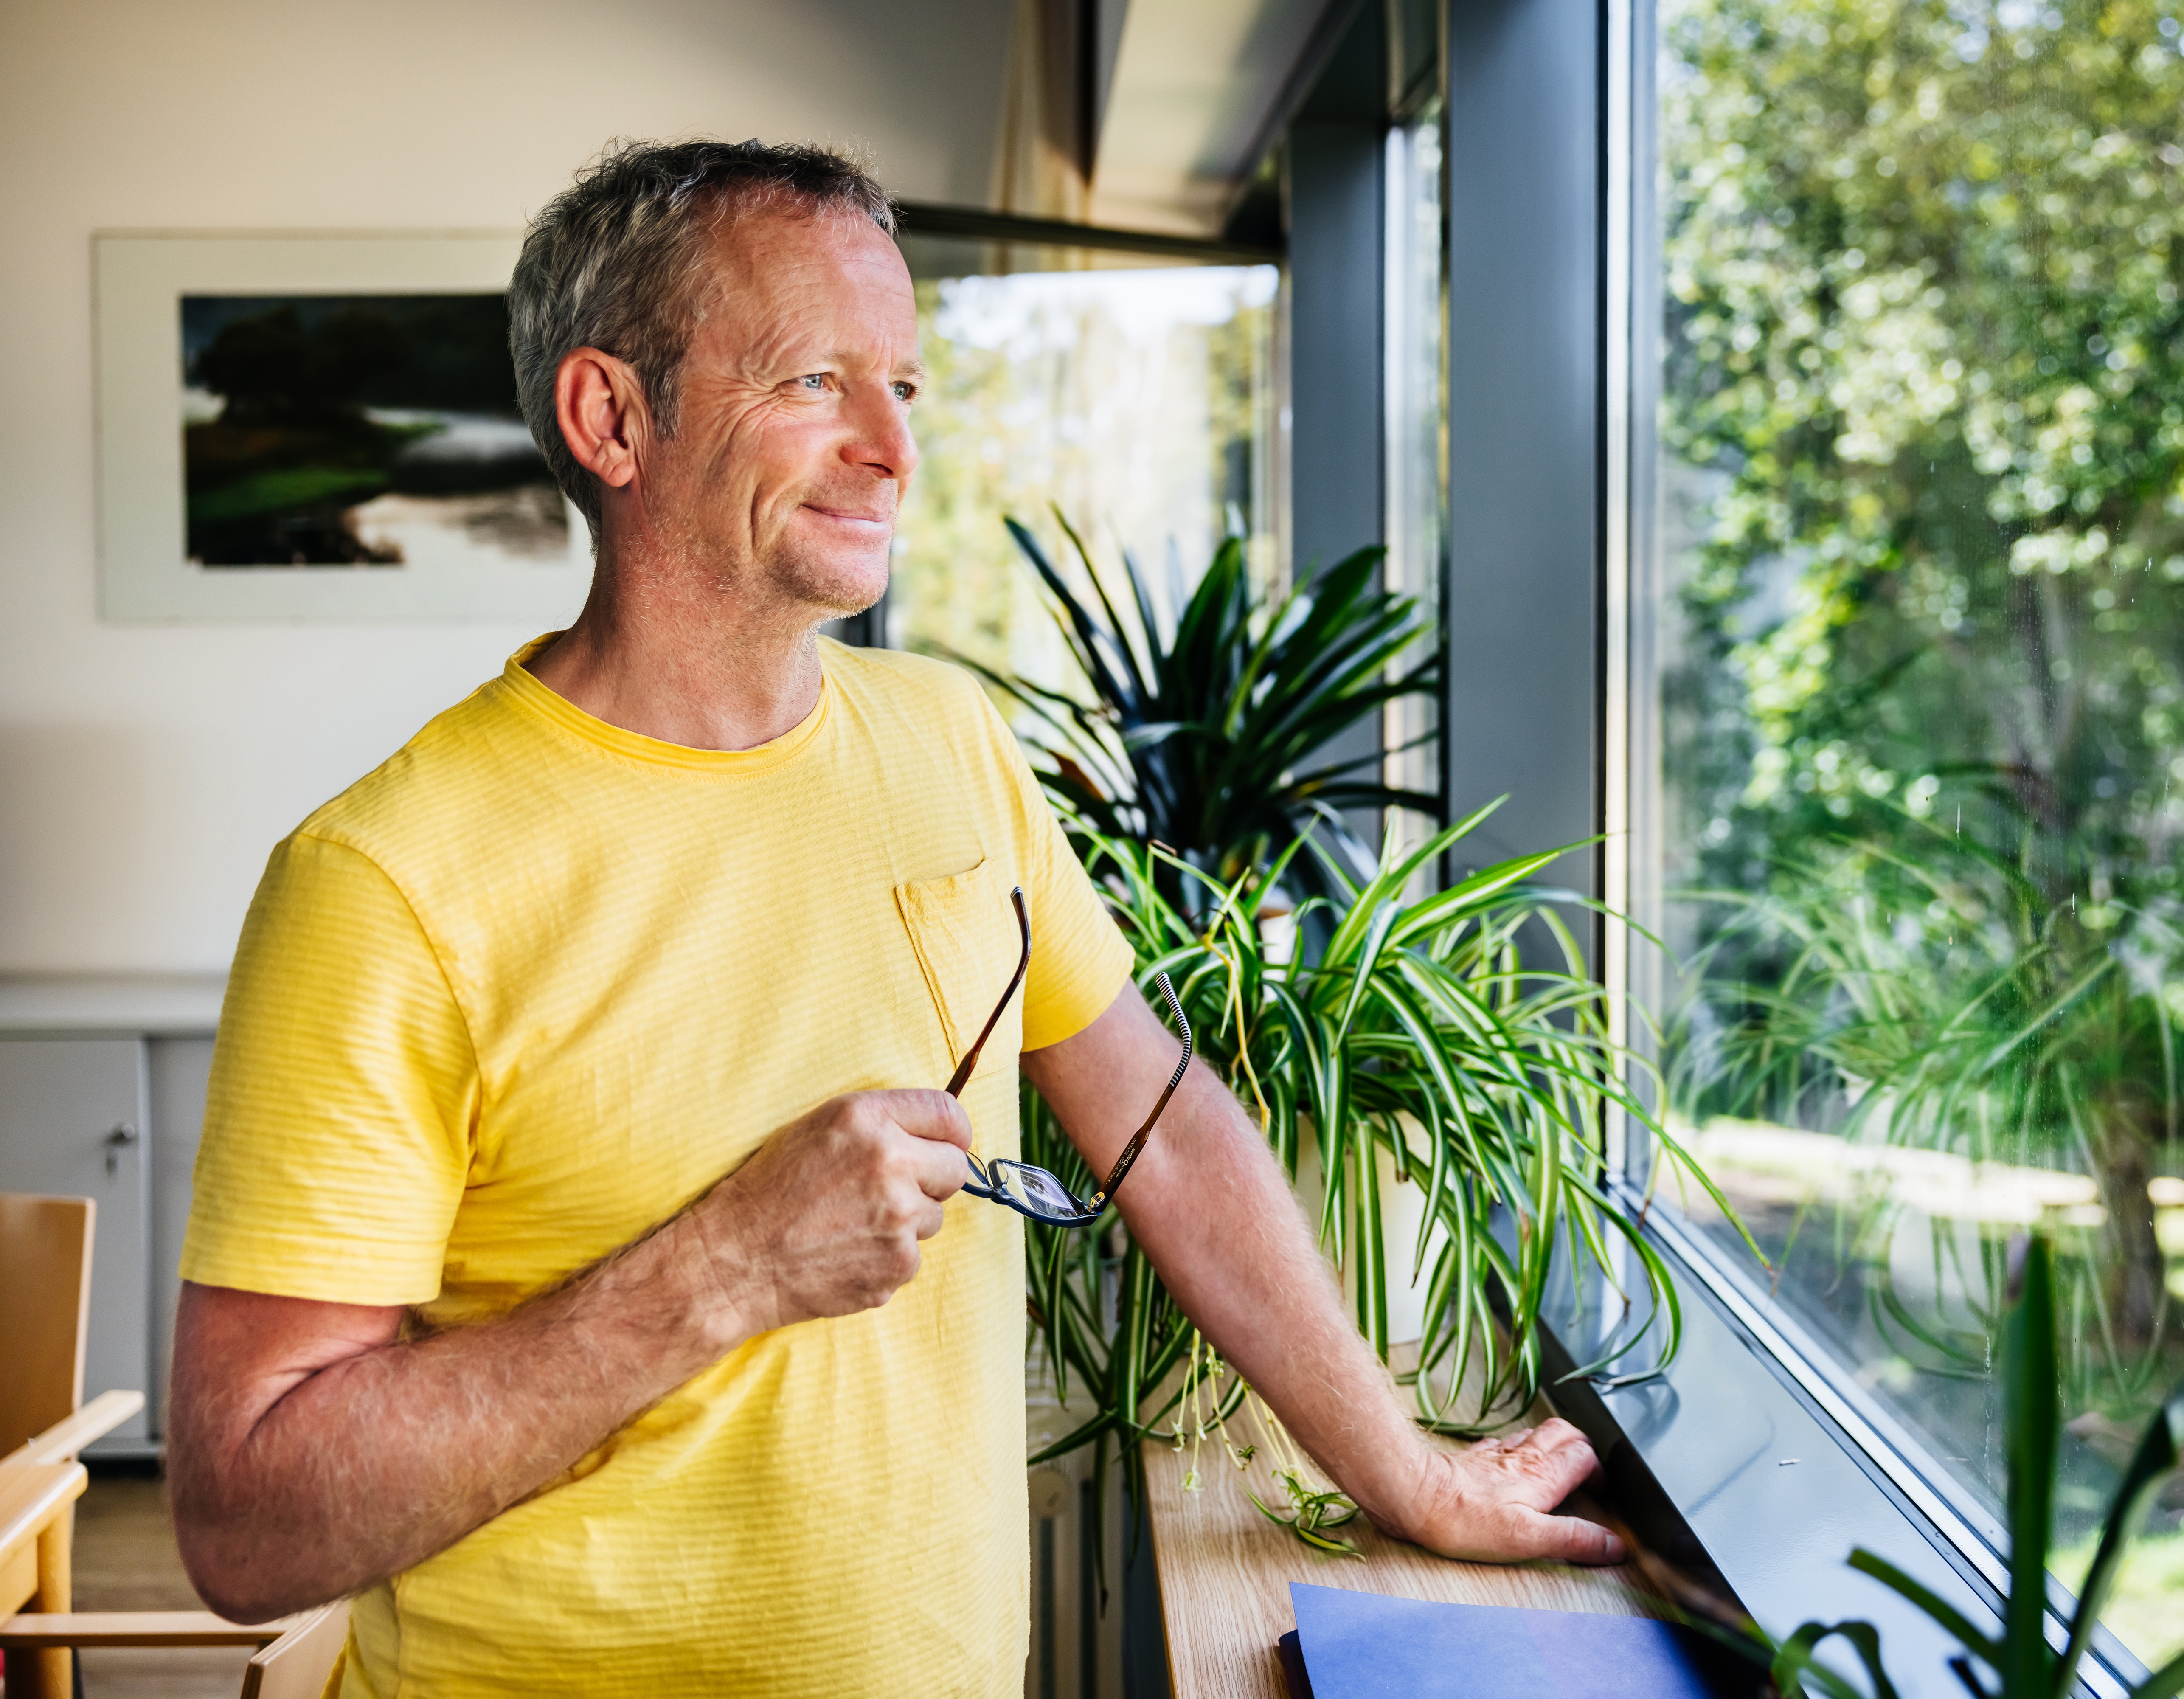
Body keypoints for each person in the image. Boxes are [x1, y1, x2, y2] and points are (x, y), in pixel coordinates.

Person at [166, 138, 1621, 1697]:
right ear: (612, 417)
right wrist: (722, 1267)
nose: (891, 449)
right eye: (812, 381)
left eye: (907, 389)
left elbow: (1167, 1130)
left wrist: (1413, 1474)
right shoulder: (385, 881)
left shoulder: (951, 744)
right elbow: (248, 1521)